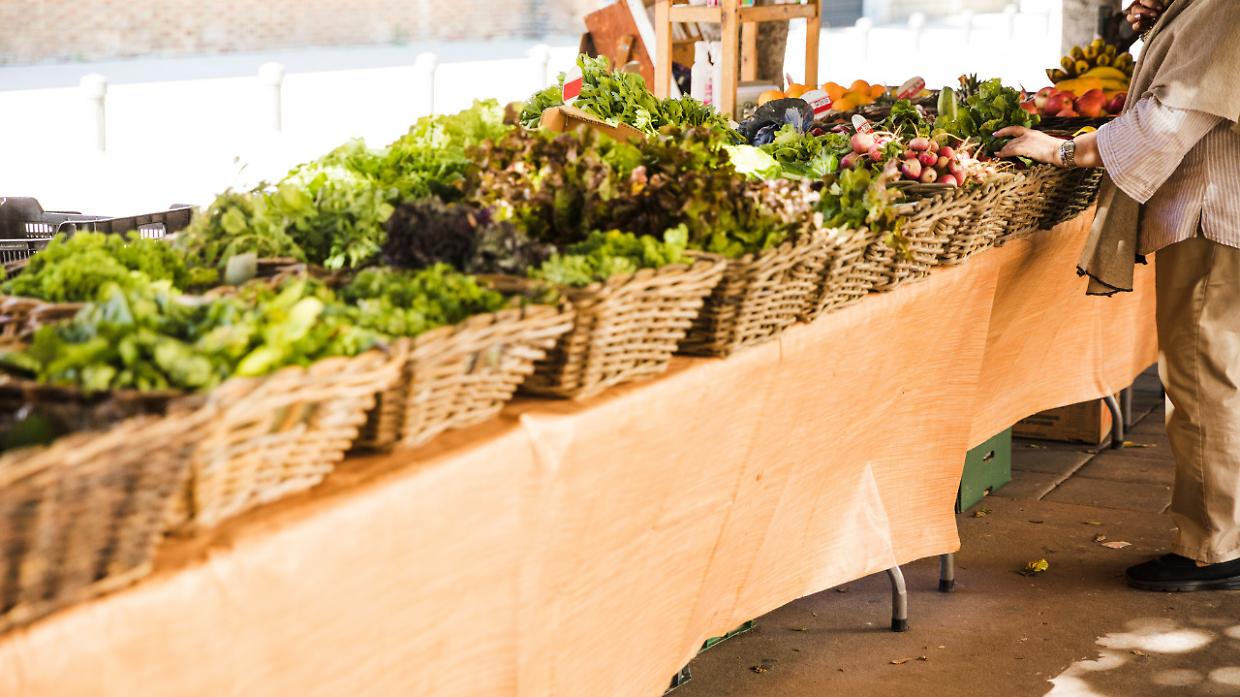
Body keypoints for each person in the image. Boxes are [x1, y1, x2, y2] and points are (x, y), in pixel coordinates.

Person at [994, 0, 1240, 592]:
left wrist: (1061, 150)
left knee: (1203, 375)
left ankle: (1215, 548)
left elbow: (1170, 117)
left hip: (1212, 212)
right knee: (1218, 370)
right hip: (1219, 208)